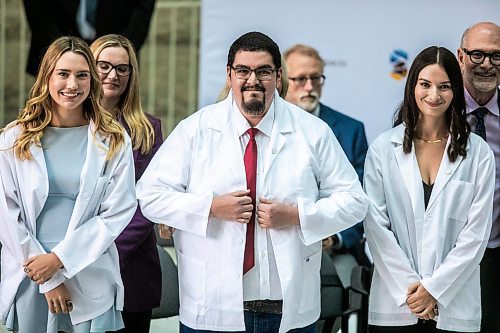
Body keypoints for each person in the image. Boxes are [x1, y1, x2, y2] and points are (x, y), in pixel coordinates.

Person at [136, 31, 368, 333]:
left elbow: (355, 202)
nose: (252, 80)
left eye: (263, 71)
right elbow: (150, 196)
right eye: (243, 71)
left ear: (279, 76)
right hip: (212, 308)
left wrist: (297, 215)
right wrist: (210, 207)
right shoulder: (196, 130)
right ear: (229, 74)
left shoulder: (312, 132)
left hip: (289, 309)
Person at [0, 36, 137, 333]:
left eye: (82, 75)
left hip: (89, 273)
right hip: (31, 275)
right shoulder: (13, 139)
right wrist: (47, 276)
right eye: (63, 74)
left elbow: (118, 211)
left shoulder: (113, 140)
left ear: (92, 81)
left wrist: (60, 260)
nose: (72, 85)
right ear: (47, 77)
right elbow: (7, 216)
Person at [364, 46, 495, 333]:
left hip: (454, 306)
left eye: (444, 86)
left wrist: (434, 290)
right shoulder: (383, 149)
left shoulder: (479, 153)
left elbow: (476, 236)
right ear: (412, 86)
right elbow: (376, 229)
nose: (434, 95)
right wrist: (413, 293)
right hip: (395, 305)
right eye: (425, 84)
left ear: (456, 91)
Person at [90, 34, 163, 333]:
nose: (113, 74)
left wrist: (102, 257)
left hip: (128, 268)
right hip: (67, 269)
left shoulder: (148, 129)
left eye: (123, 68)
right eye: (103, 65)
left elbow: (146, 202)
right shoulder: (65, 126)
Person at [284, 44, 369, 268]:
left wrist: (335, 238)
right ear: (282, 79)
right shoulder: (265, 126)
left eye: (316, 78)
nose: (309, 86)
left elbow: (363, 198)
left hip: (333, 250)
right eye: (300, 79)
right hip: (281, 241)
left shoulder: (351, 130)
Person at [457, 22, 500, 333]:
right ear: (460, 56)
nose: (487, 64)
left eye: (496, 56)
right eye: (477, 54)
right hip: (447, 259)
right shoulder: (433, 109)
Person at [23, 0, 156, 76]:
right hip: (55, 49)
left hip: (115, 53)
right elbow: (37, 9)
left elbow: (142, 11)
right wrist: (62, 50)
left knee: (114, 119)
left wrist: (117, 53)